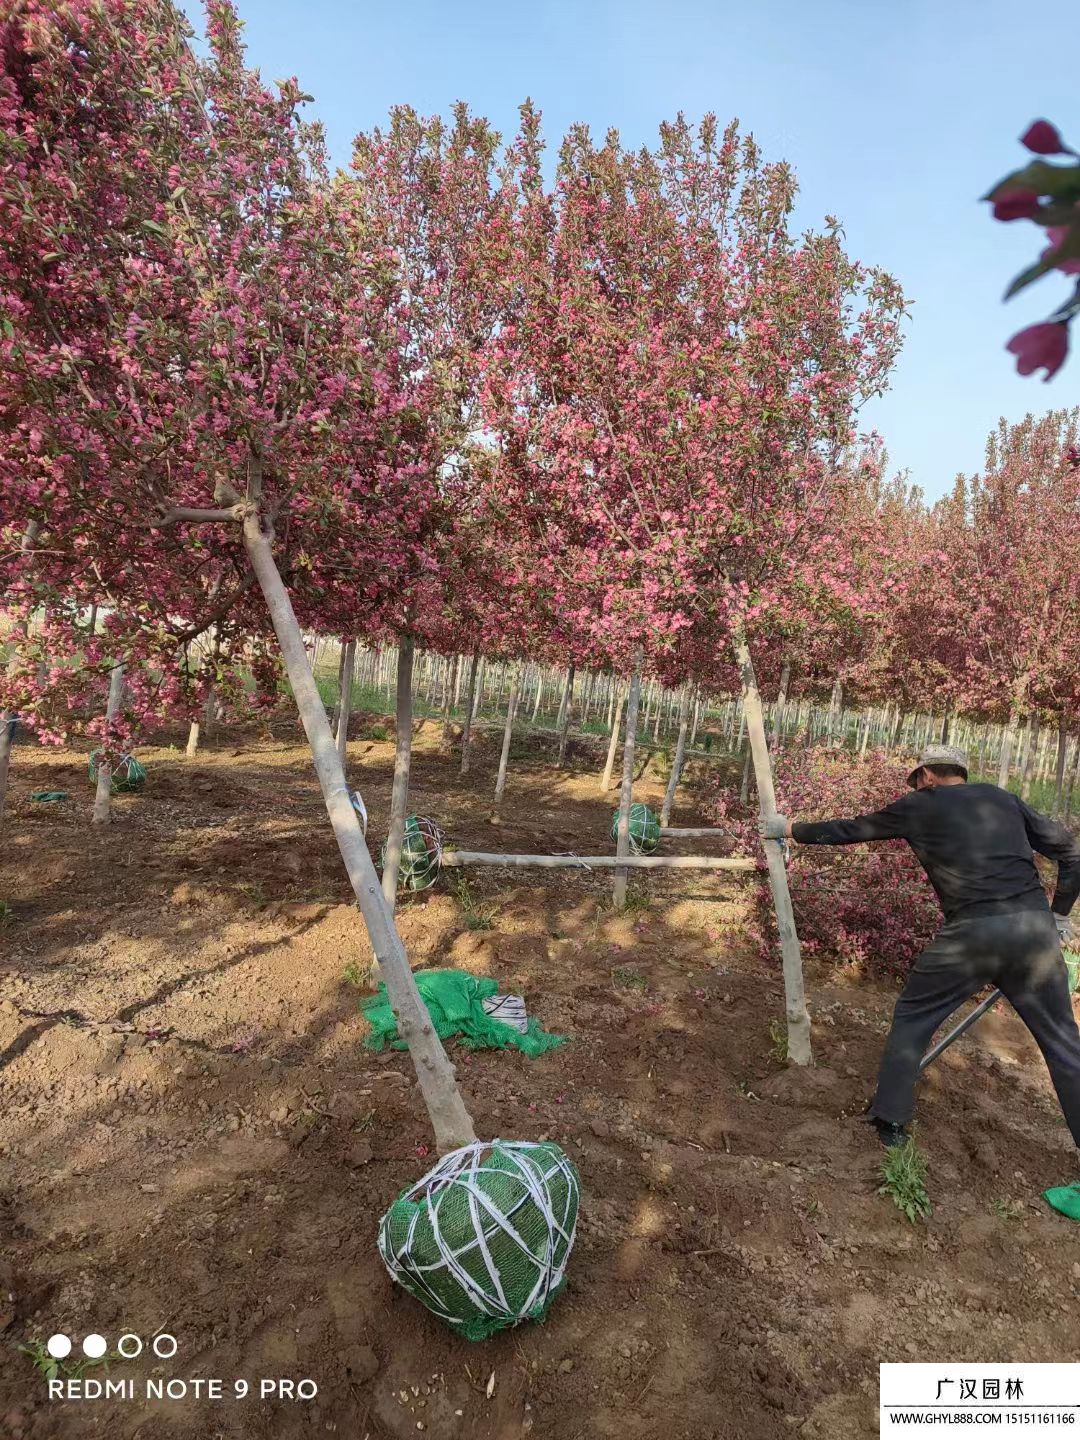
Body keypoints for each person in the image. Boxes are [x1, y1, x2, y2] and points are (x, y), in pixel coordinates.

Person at [761, 745, 1080, 1150]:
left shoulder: (920, 806)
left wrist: (790, 829)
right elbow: (1072, 852)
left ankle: (890, 1123)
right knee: (1063, 1043)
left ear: (927, 776)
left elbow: (852, 829)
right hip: (1035, 935)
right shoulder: (1004, 799)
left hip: (971, 936)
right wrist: (1060, 914)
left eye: (917, 780)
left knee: (914, 1016)